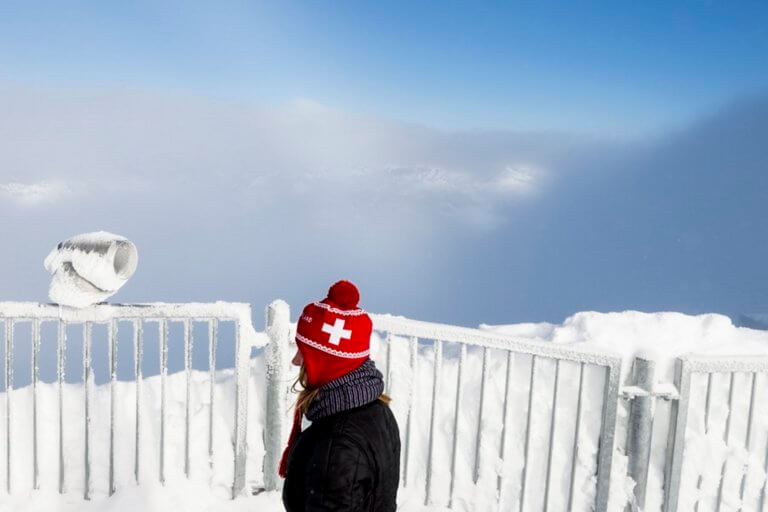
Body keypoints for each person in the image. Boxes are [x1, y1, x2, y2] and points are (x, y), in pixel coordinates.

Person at [281, 280, 400, 512]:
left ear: (327, 363)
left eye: (304, 352)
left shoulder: (337, 446)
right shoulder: (378, 411)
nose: (295, 361)